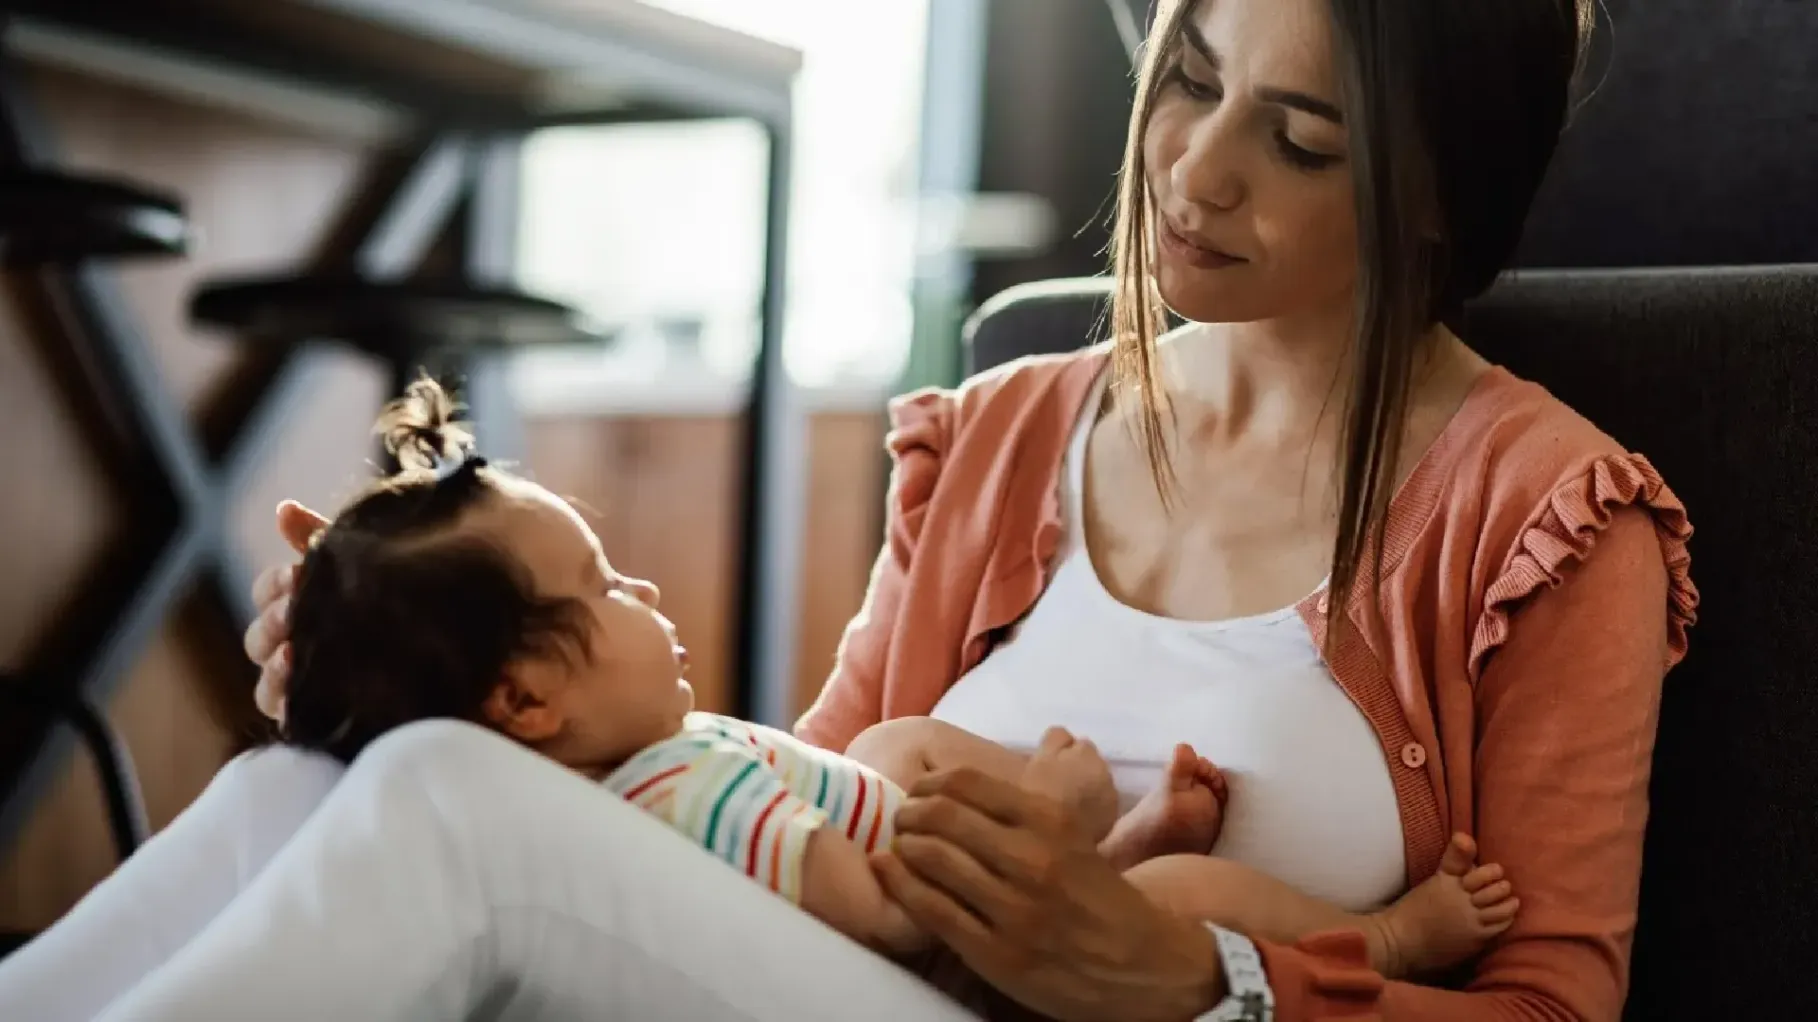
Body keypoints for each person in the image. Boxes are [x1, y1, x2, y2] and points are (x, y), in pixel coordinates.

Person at [0, 0, 1696, 1018]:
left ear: (1432, 198)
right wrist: (422, 661)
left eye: (1300, 135)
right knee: (325, 770)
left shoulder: (1548, 516)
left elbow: (1550, 1002)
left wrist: (1192, 979)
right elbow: (769, 798)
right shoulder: (1009, 432)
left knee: (439, 795)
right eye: (1188, 75)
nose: (1192, 170)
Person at [263, 376, 1523, 977]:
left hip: (998, 950)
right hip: (927, 979)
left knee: (899, 747)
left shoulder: (648, 777)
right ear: (528, 703)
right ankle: (1395, 938)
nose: (641, 592)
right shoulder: (675, 795)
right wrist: (1059, 825)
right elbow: (890, 917)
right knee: (1189, 886)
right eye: (600, 590)